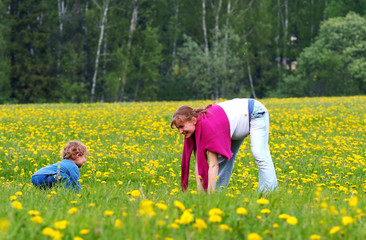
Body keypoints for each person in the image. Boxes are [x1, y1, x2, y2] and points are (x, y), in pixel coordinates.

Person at [171, 98, 278, 193]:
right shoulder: (197, 128)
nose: (180, 132)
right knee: (223, 159)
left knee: (259, 153)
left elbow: (213, 165)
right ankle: (217, 195)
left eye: (182, 127)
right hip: (232, 125)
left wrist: (209, 196)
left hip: (254, 112)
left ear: (194, 120)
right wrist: (201, 195)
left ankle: (270, 192)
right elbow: (198, 163)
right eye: (178, 128)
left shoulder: (208, 127)